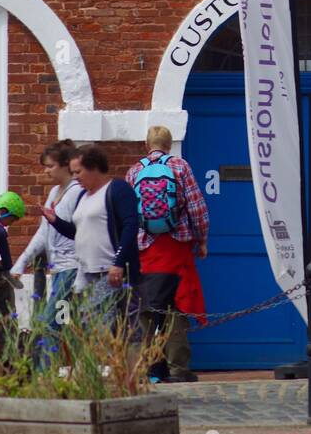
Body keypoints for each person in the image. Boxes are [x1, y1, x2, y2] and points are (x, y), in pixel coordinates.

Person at [125, 126, 209, 383]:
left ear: (146, 144)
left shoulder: (134, 171)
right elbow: (196, 207)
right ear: (170, 145)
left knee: (146, 311)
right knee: (177, 308)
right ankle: (177, 369)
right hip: (176, 248)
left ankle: (145, 368)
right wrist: (202, 239)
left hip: (145, 251)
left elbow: (129, 214)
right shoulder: (180, 167)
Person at [41, 144, 141, 330]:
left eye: (78, 171)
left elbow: (130, 225)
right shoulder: (83, 196)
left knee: (102, 327)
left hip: (110, 272)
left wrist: (118, 262)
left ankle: (117, 359)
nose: (75, 177)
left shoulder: (117, 189)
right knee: (90, 325)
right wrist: (56, 221)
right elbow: (77, 232)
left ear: (94, 167)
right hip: (86, 272)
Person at [13, 140, 80, 347]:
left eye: (50, 166)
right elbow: (44, 232)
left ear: (65, 164)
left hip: (72, 269)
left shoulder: (76, 192)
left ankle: (47, 374)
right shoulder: (54, 193)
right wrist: (22, 261)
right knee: (65, 321)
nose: (46, 171)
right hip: (58, 269)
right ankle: (68, 370)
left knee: (53, 323)